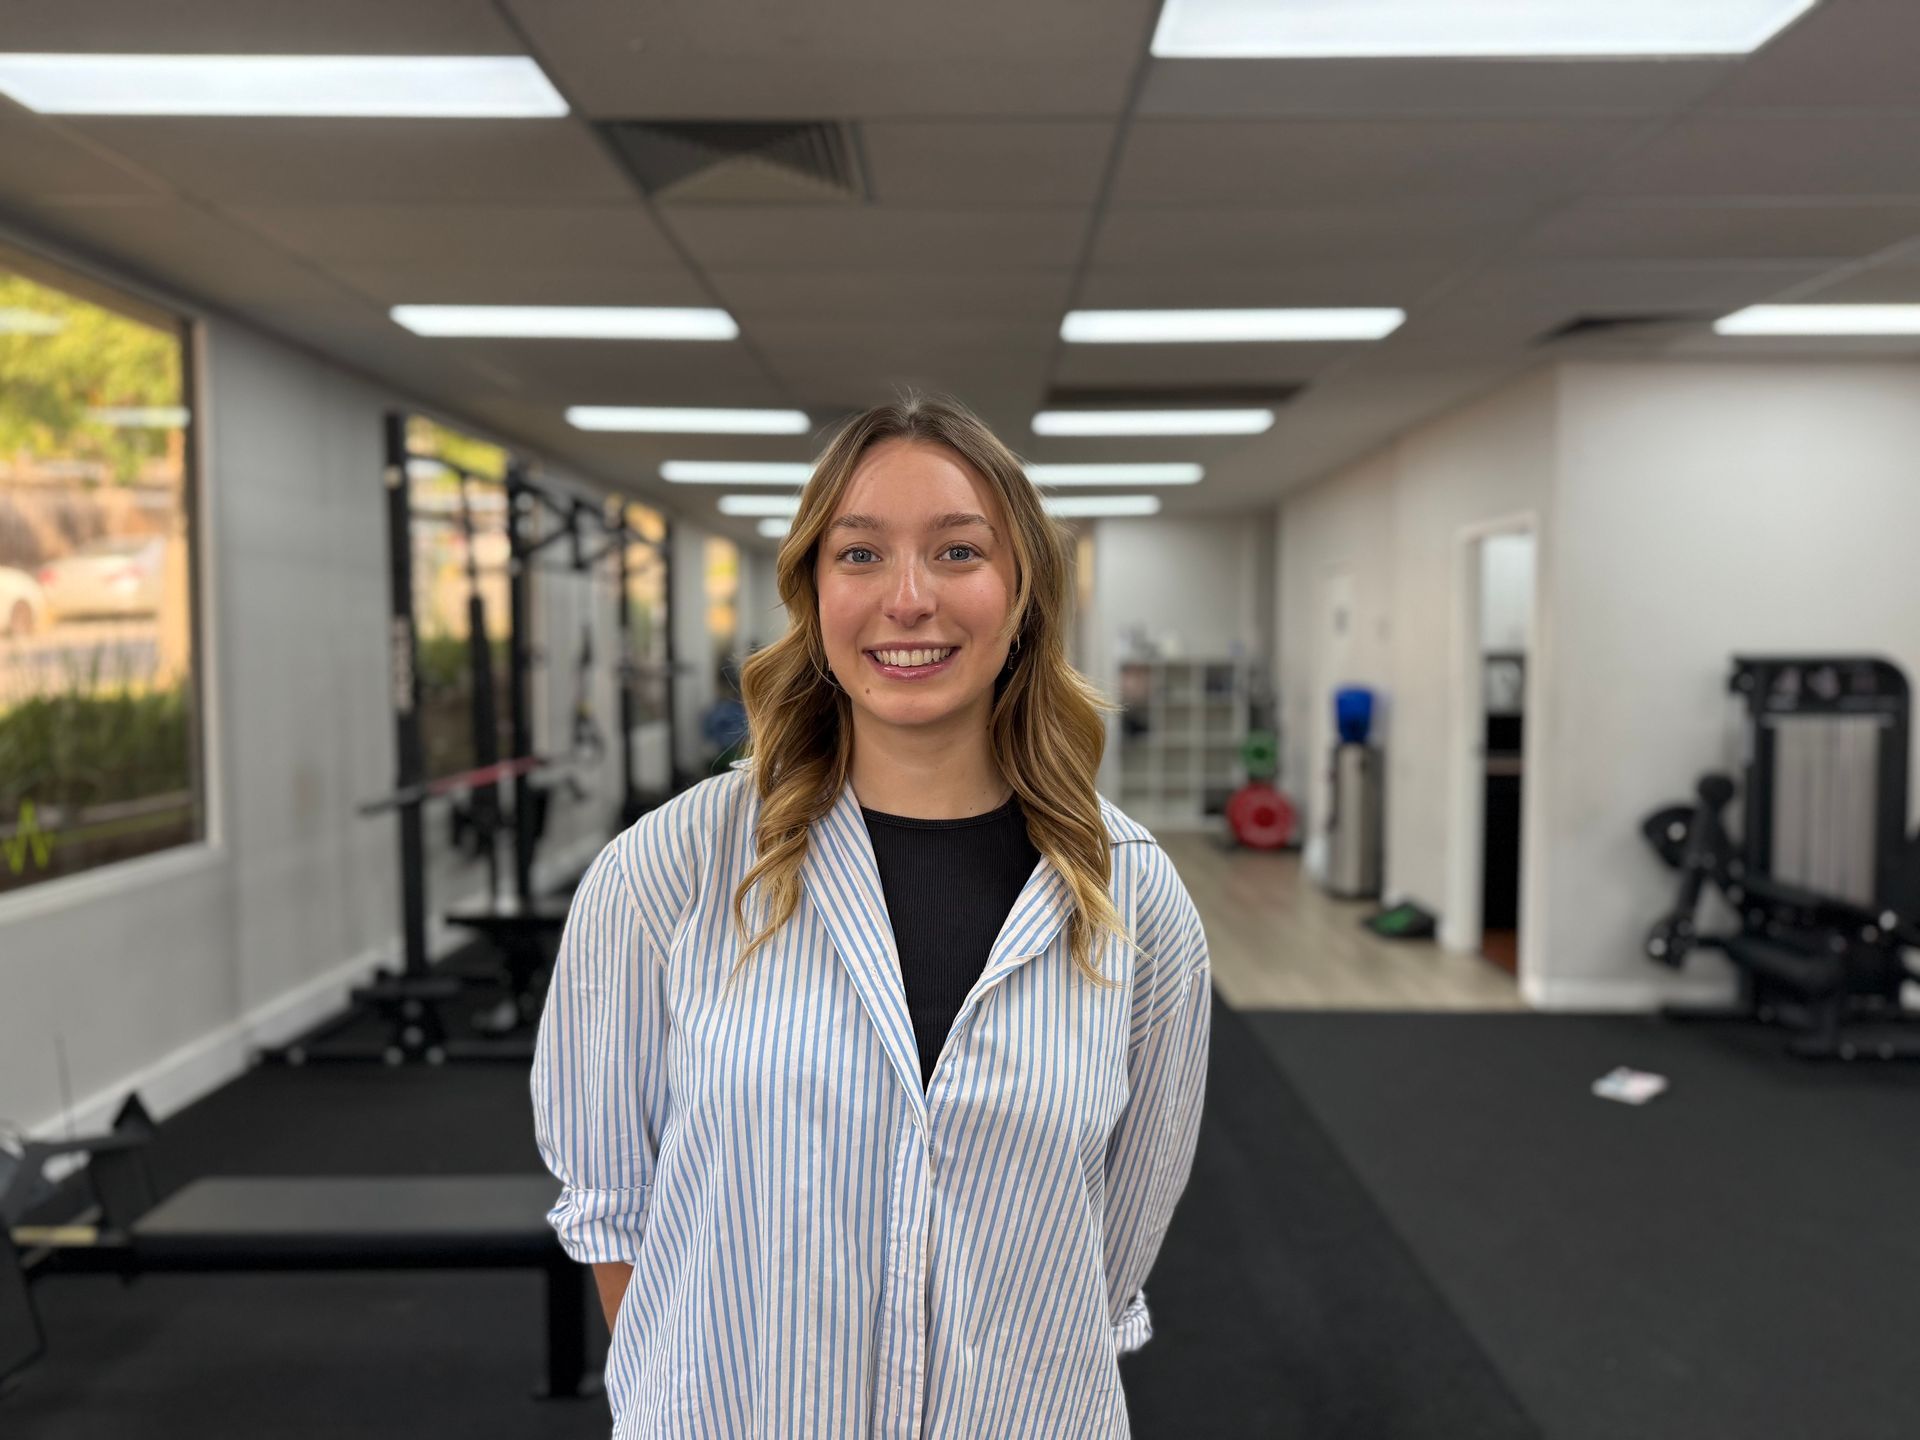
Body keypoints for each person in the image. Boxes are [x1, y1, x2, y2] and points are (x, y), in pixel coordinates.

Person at [530, 395, 1211, 1438]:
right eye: (859, 555)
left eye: (956, 552)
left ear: (1022, 588)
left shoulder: (1129, 894)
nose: (907, 599)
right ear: (811, 590)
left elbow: (1111, 1251)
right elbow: (611, 1202)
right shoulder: (673, 868)